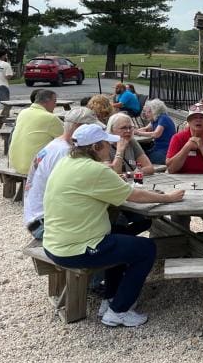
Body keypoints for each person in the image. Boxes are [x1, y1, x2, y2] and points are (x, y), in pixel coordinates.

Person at [42, 124, 184, 327]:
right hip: (75, 249)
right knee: (146, 249)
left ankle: (110, 298)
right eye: (107, 144)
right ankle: (119, 310)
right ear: (96, 147)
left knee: (121, 236)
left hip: (55, 242)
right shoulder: (95, 170)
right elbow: (134, 195)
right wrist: (168, 198)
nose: (110, 147)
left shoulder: (66, 162)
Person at [23, 107, 99, 239]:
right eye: (93, 129)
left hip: (37, 218)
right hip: (46, 224)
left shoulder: (57, 145)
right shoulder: (66, 152)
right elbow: (82, 189)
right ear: (77, 127)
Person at [8, 89, 63, 174]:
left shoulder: (23, 112)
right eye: (54, 101)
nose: (55, 105)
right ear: (46, 102)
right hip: (33, 167)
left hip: (15, 164)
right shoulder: (50, 118)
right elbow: (66, 139)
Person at [165, 104, 203, 174]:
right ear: (189, 122)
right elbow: (171, 169)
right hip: (181, 178)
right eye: (194, 118)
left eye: (201, 117)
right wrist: (187, 146)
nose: (198, 120)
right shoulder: (177, 138)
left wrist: (201, 147)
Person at [106, 113, 155, 177]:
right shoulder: (105, 146)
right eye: (123, 128)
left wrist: (129, 174)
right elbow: (113, 174)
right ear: (112, 130)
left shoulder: (131, 142)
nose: (128, 131)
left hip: (132, 181)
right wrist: (120, 151)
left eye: (130, 127)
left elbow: (149, 168)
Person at [135, 98, 176, 164]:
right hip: (157, 148)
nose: (146, 114)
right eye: (146, 111)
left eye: (149, 112)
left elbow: (156, 134)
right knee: (140, 155)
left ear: (155, 111)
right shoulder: (155, 119)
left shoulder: (163, 118)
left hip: (165, 151)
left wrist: (138, 133)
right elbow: (146, 129)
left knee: (140, 159)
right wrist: (133, 130)